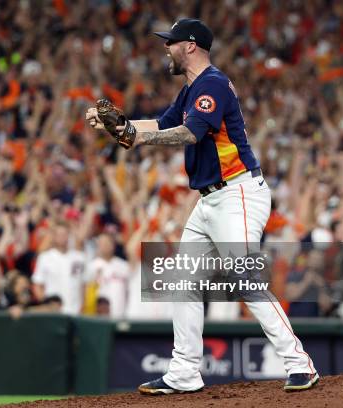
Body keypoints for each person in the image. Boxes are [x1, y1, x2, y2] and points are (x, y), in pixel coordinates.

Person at [87, 18, 318, 393]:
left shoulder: (211, 84)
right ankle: (184, 371)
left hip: (237, 193)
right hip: (211, 198)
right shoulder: (191, 88)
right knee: (183, 280)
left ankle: (299, 363)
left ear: (190, 46)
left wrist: (134, 136)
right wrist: (119, 126)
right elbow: (161, 124)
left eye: (171, 42)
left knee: (244, 277)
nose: (166, 48)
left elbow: (191, 133)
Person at [32, 222, 86, 315]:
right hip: (53, 312)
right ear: (54, 236)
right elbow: (37, 285)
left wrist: (83, 305)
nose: (62, 237)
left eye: (65, 234)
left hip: (75, 311)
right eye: (59, 234)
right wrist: (46, 304)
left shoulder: (80, 257)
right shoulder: (45, 257)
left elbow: (84, 284)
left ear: (69, 235)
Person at [85, 233, 130, 319]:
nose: (105, 246)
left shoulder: (123, 265)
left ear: (113, 245)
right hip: (99, 316)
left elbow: (128, 290)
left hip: (121, 314)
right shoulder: (92, 266)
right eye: (102, 243)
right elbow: (87, 293)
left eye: (107, 243)